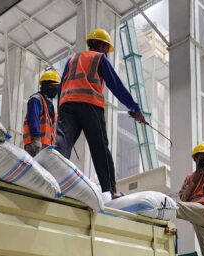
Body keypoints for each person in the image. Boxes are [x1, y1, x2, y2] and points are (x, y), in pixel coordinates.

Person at [56, 28, 146, 198]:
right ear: (103, 46)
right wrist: (135, 108)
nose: (107, 53)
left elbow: (62, 86)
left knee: (62, 142)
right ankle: (110, 190)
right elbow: (116, 85)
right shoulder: (99, 59)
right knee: (100, 149)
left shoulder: (72, 59)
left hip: (67, 104)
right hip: (89, 104)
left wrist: (60, 110)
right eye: (107, 48)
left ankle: (54, 178)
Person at [22, 69, 61, 156]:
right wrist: (36, 139)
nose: (56, 90)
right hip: (36, 144)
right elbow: (33, 119)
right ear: (47, 85)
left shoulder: (49, 104)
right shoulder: (36, 100)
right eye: (54, 86)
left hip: (47, 147)